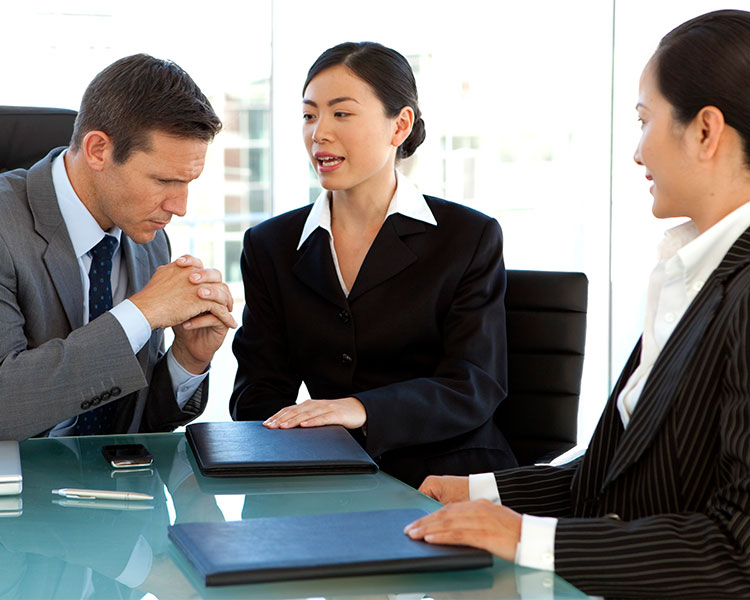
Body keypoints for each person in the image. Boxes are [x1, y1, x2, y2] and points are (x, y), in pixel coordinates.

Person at [406, 9, 750, 597]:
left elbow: (738, 552)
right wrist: (479, 493)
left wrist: (527, 539)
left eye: (645, 121)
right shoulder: (691, 273)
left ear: (705, 131)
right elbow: (613, 480)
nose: (638, 153)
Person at [230, 41, 517, 488]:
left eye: (341, 114)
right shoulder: (270, 245)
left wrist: (360, 408)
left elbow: (473, 384)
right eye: (309, 115)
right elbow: (257, 394)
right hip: (326, 477)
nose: (318, 133)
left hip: (449, 474)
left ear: (399, 125)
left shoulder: (467, 236)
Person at [0, 53, 236, 441]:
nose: (180, 207)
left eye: (187, 182)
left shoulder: (149, 240)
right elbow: (7, 405)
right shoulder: (6, 227)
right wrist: (142, 313)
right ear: (97, 150)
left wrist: (188, 359)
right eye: (163, 180)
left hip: (118, 491)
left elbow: (135, 424)